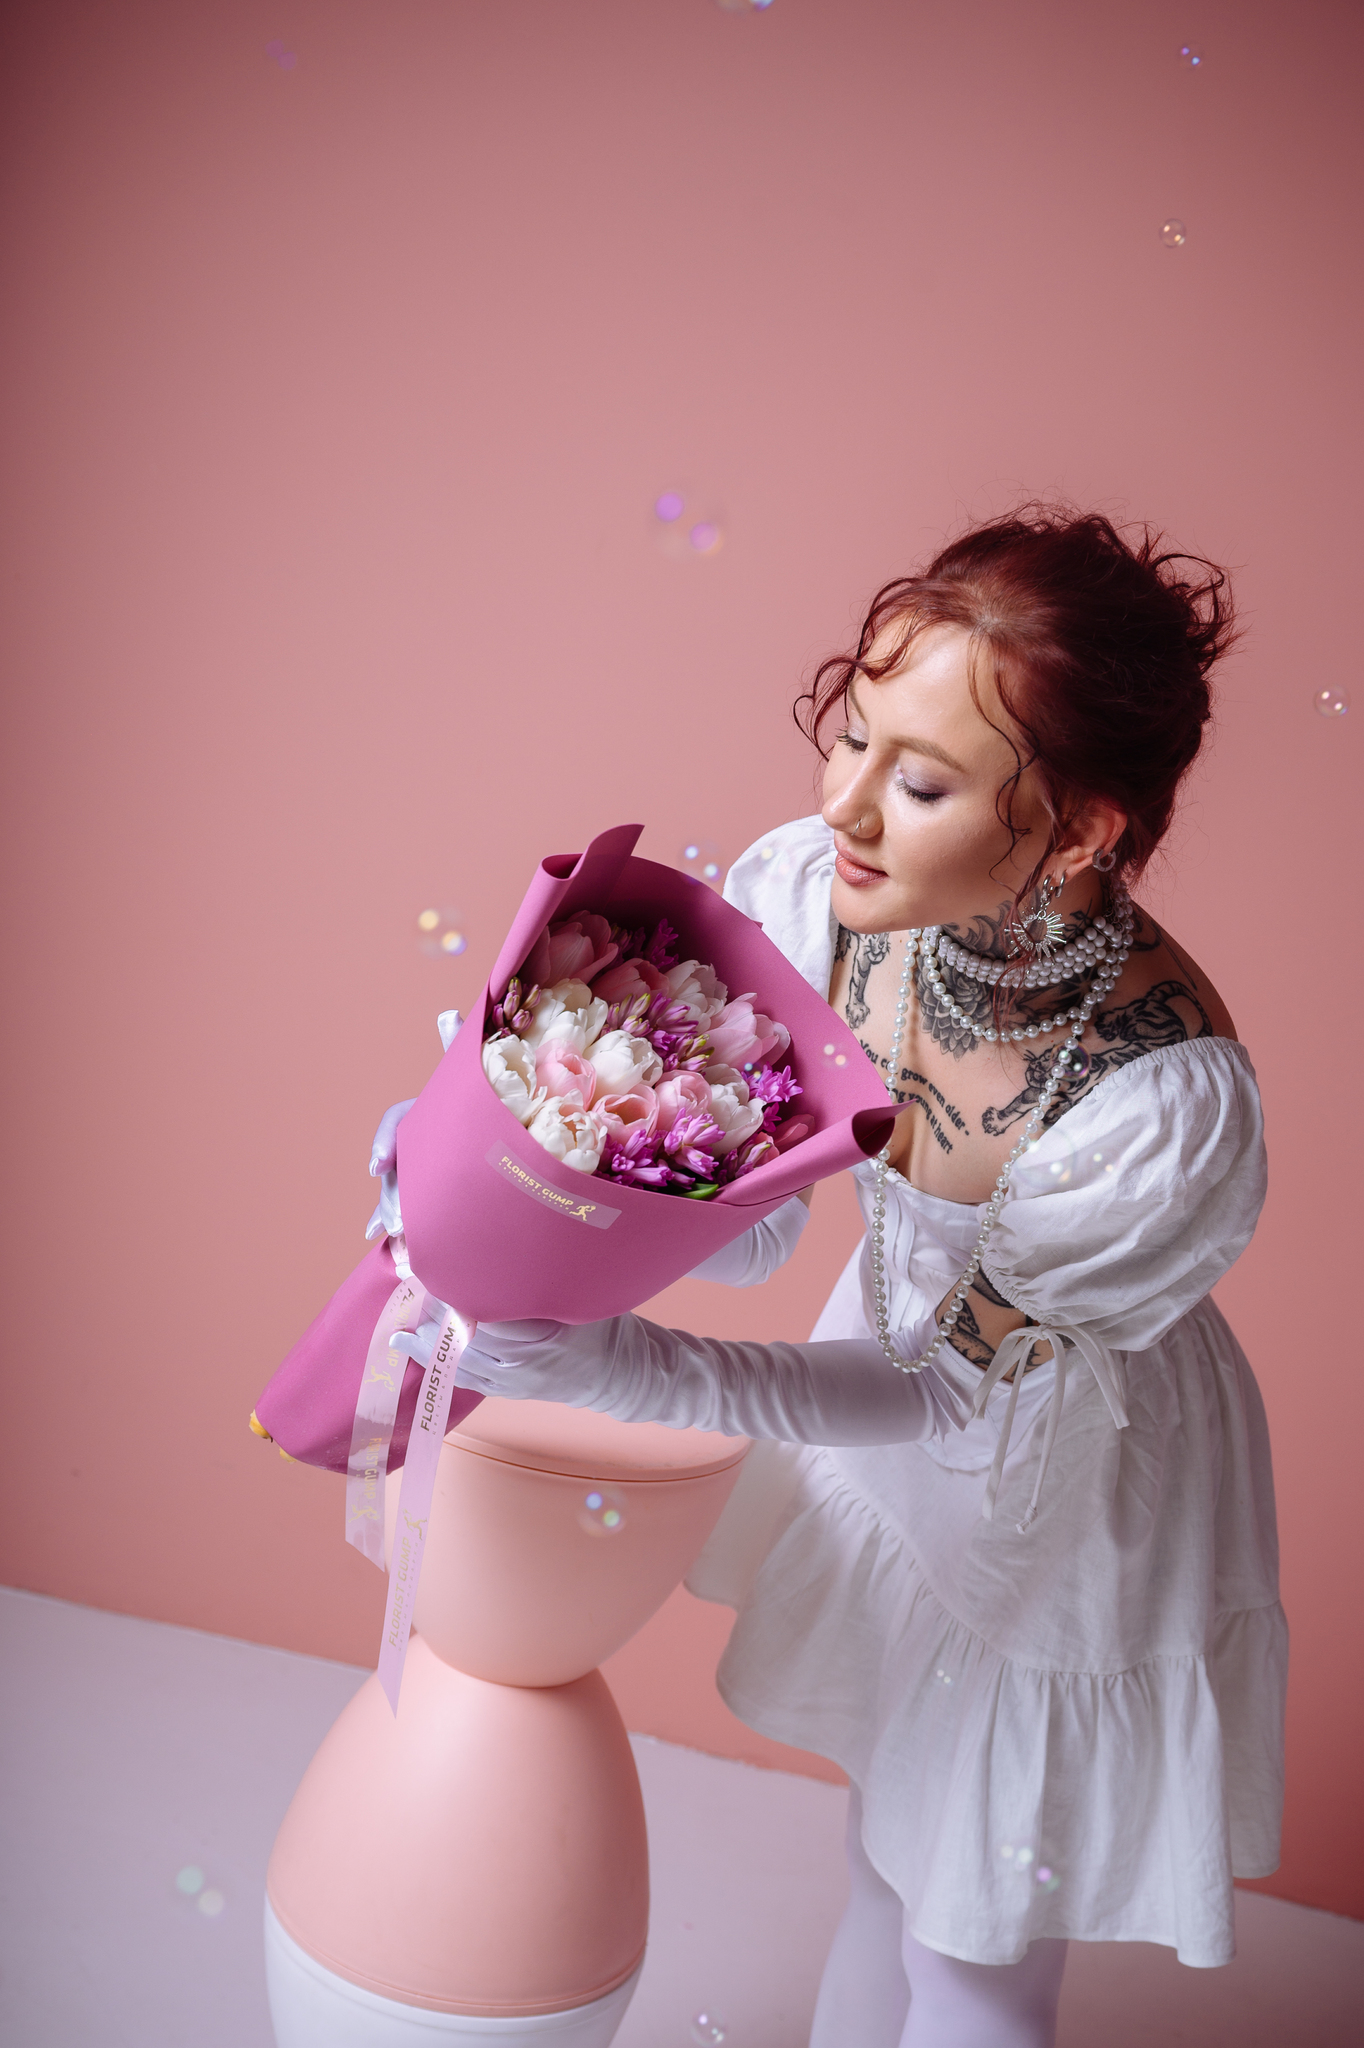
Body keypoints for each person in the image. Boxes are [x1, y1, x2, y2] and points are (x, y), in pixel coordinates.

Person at [384, 508, 1285, 2048]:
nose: (844, 802)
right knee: (888, 1854)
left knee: (975, 1944)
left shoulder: (1158, 1111)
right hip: (875, 1391)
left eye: (920, 782)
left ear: (1082, 829)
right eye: (853, 735)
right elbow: (751, 1226)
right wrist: (509, 1167)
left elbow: (945, 1393)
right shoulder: (827, 893)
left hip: (1069, 1474)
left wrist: (622, 1368)